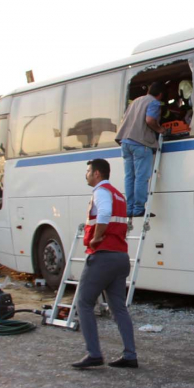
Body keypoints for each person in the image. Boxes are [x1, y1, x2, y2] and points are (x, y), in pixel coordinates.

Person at [70, 158, 138, 370]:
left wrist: (96, 238)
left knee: (83, 302)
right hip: (120, 257)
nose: (87, 174)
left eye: (89, 171)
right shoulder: (119, 194)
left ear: (97, 174)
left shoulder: (101, 192)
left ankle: (94, 353)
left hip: (103, 257)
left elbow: (105, 214)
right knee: (118, 308)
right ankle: (130, 355)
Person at [115, 82, 164, 218]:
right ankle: (138, 209)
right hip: (141, 143)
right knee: (141, 177)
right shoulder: (154, 102)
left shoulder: (135, 101)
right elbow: (149, 120)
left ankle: (129, 208)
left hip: (125, 142)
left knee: (130, 177)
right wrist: (160, 129)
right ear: (160, 95)